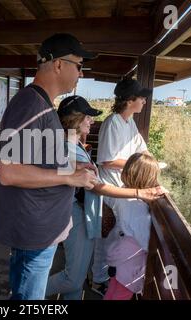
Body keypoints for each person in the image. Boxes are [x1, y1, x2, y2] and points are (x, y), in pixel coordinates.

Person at [0, 33, 98, 300]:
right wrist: (69, 178)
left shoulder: (42, 105)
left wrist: (72, 167)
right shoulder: (31, 105)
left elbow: (38, 157)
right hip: (35, 234)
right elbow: (9, 171)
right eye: (79, 65)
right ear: (59, 64)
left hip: (40, 230)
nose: (82, 73)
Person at [45, 96, 164, 300]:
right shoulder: (66, 149)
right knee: (73, 278)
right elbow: (97, 187)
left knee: (78, 275)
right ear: (75, 119)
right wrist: (138, 193)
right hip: (75, 215)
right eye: (88, 117)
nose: (92, 121)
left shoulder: (75, 146)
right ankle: (26, 294)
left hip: (81, 213)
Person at [90, 78, 153, 295]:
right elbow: (107, 160)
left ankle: (112, 276)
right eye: (141, 97)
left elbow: (142, 149)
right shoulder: (113, 123)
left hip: (124, 187)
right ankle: (98, 279)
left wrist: (152, 163)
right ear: (129, 100)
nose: (144, 101)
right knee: (107, 235)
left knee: (117, 234)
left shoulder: (130, 122)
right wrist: (138, 165)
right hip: (110, 189)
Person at [103, 153, 160, 300]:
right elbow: (145, 240)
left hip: (119, 253)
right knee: (121, 295)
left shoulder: (124, 192)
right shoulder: (138, 207)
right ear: (148, 178)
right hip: (130, 263)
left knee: (113, 290)